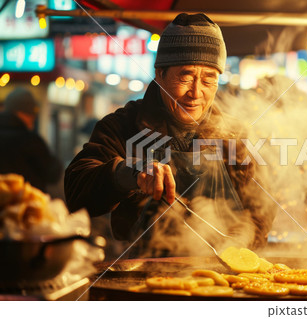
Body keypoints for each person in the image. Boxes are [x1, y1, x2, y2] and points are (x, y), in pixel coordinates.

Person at [65, 13, 275, 257]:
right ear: (160, 74)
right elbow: (76, 191)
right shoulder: (122, 126)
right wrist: (129, 173)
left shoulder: (235, 135)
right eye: (185, 77)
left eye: (208, 80)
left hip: (220, 278)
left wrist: (241, 242)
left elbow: (262, 205)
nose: (195, 93)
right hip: (139, 278)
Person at [0, 87, 63, 193]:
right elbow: (52, 173)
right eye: (31, 116)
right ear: (22, 113)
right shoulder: (30, 141)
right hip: (27, 204)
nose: (32, 122)